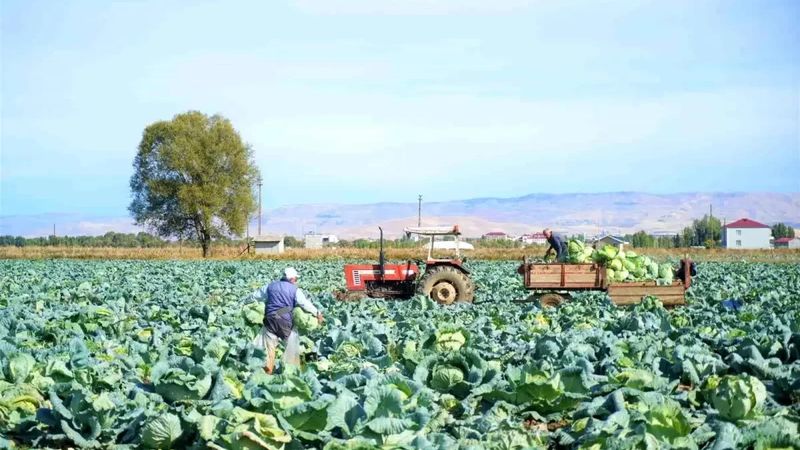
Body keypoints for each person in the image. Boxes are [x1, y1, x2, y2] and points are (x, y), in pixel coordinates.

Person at [245, 267, 323, 374]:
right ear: (291, 279)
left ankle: (267, 371)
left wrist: (246, 303)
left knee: (269, 347)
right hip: (285, 320)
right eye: (295, 279)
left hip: (271, 318)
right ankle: (291, 370)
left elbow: (254, 296)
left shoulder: (270, 286)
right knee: (290, 345)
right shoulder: (294, 290)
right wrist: (317, 313)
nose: (296, 281)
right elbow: (304, 304)